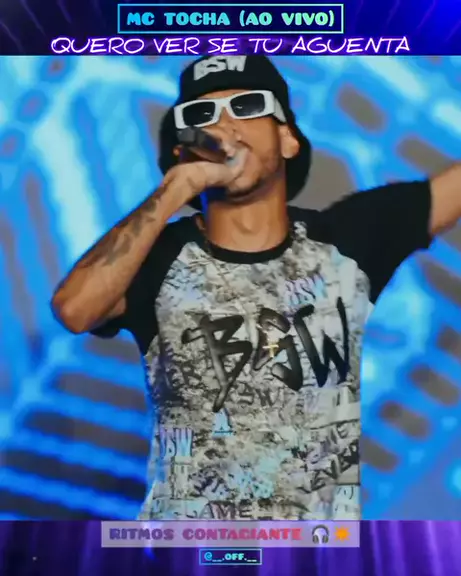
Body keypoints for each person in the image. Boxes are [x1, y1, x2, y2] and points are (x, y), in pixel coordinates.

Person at [51, 55, 461, 521]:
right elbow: (75, 309)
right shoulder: (157, 258)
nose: (224, 124)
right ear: (183, 150)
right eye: (202, 115)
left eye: (247, 106)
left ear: (288, 139)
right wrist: (175, 189)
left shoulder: (346, 241)